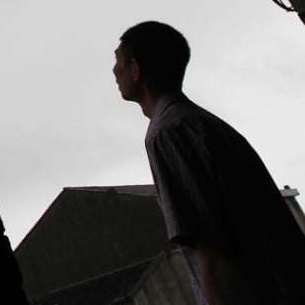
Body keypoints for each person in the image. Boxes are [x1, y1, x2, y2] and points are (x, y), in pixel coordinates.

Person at [113, 21, 305, 305]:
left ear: (136, 68)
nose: (114, 71)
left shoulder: (169, 132)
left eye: (118, 61)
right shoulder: (201, 123)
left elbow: (212, 253)